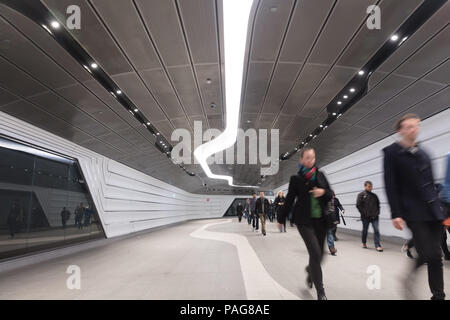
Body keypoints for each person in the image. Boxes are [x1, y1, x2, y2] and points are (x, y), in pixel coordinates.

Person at [383, 113, 446, 300]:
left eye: (416, 126)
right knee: (429, 251)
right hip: (412, 210)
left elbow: (433, 183)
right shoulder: (391, 153)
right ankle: (410, 278)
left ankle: (438, 296)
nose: (413, 129)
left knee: (435, 256)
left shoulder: (425, 153)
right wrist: (396, 213)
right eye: (409, 126)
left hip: (433, 210)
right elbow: (390, 185)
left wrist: (440, 206)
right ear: (400, 131)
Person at [277, 147, 333, 300]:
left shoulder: (321, 175)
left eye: (312, 158)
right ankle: (321, 291)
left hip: (321, 220)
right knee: (315, 252)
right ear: (301, 160)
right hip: (304, 222)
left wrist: (322, 192)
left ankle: (310, 271)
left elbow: (330, 193)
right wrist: (281, 219)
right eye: (307, 158)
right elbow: (289, 200)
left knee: (320, 255)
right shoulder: (296, 179)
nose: (310, 160)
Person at [356, 181, 383, 251]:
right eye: (369, 186)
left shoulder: (374, 196)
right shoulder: (361, 195)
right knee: (365, 230)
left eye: (371, 186)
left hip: (375, 216)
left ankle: (377, 245)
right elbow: (358, 205)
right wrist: (364, 213)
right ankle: (364, 242)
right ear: (365, 187)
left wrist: (377, 212)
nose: (370, 188)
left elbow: (378, 205)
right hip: (365, 217)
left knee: (376, 230)